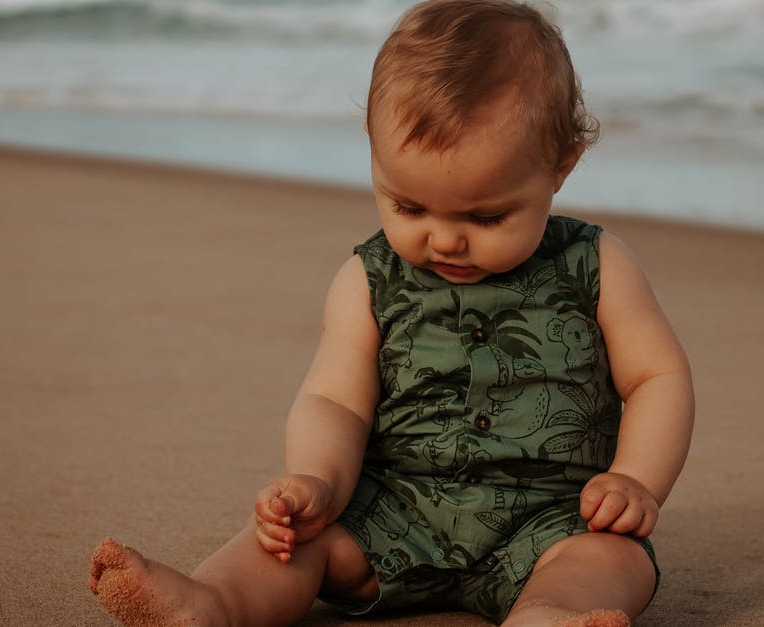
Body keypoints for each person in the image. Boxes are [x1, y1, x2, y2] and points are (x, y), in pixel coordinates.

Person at [88, 1, 694, 625]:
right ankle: (212, 604)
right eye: (409, 207)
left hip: (555, 519)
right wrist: (318, 483)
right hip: (392, 515)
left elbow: (657, 378)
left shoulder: (597, 265)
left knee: (611, 562)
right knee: (291, 541)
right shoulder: (367, 281)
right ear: (374, 154)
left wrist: (636, 480)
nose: (446, 240)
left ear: (561, 164)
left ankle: (546, 617)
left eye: (486, 217)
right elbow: (335, 401)